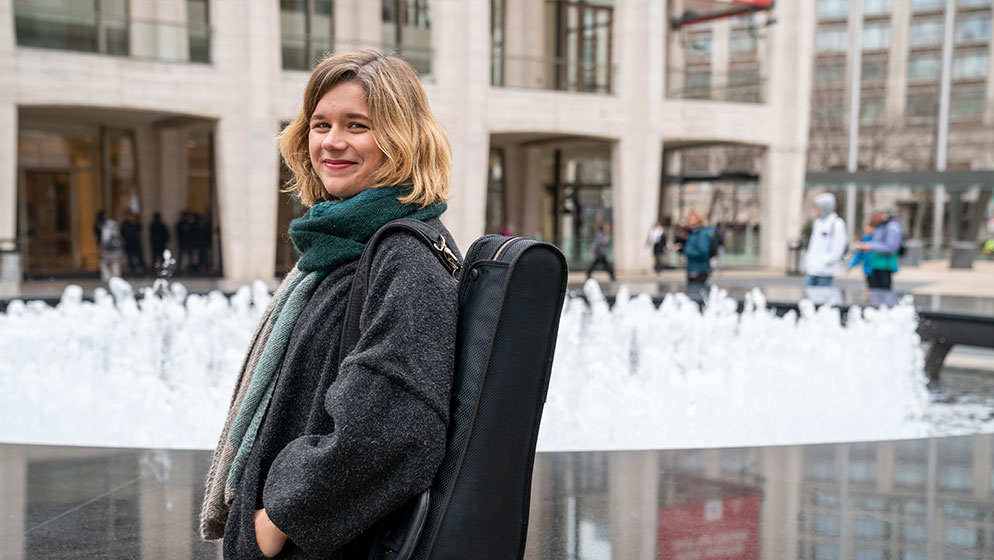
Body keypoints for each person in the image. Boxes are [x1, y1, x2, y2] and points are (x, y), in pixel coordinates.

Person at [201, 50, 460, 560]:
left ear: (403, 140)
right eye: (321, 124)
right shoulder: (337, 246)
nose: (332, 142)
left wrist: (276, 520)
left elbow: (394, 425)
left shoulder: (404, 256)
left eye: (357, 125)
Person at [804, 193, 848, 287]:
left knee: (822, 298)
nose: (815, 210)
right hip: (812, 269)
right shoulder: (818, 222)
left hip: (825, 270)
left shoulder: (837, 224)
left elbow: (838, 247)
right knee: (809, 298)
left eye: (817, 207)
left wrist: (824, 262)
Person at [859, 208, 903, 292]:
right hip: (875, 265)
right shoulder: (880, 226)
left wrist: (871, 246)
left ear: (880, 215)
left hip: (885, 266)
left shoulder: (892, 227)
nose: (871, 221)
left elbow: (891, 247)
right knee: (875, 292)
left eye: (873, 218)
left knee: (884, 292)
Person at [675, 211, 716, 289]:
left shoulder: (702, 233)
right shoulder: (693, 233)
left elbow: (703, 252)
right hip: (692, 269)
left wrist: (687, 250)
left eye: (692, 218)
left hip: (699, 270)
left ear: (699, 219)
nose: (689, 220)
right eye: (689, 218)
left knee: (696, 295)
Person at [847, 224, 876, 288]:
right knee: (871, 288)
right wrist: (851, 265)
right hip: (868, 269)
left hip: (877, 268)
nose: (866, 230)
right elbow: (858, 256)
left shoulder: (877, 240)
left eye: (869, 228)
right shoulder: (864, 239)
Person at [98, 214, 124, 282]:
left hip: (108, 250)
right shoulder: (115, 225)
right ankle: (116, 277)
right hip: (116, 249)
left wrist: (102, 248)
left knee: (104, 264)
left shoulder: (106, 228)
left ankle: (108, 277)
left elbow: (105, 239)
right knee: (115, 263)